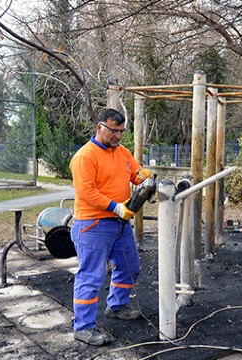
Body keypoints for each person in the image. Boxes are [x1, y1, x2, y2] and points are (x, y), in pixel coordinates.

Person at [69, 108, 152, 345]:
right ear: (99, 128)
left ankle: (116, 306)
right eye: (113, 131)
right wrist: (116, 207)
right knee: (92, 276)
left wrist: (144, 176)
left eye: (121, 131)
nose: (117, 136)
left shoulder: (121, 151)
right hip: (93, 224)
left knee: (130, 266)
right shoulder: (86, 156)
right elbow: (86, 192)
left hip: (119, 224)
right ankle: (83, 327)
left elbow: (135, 172)